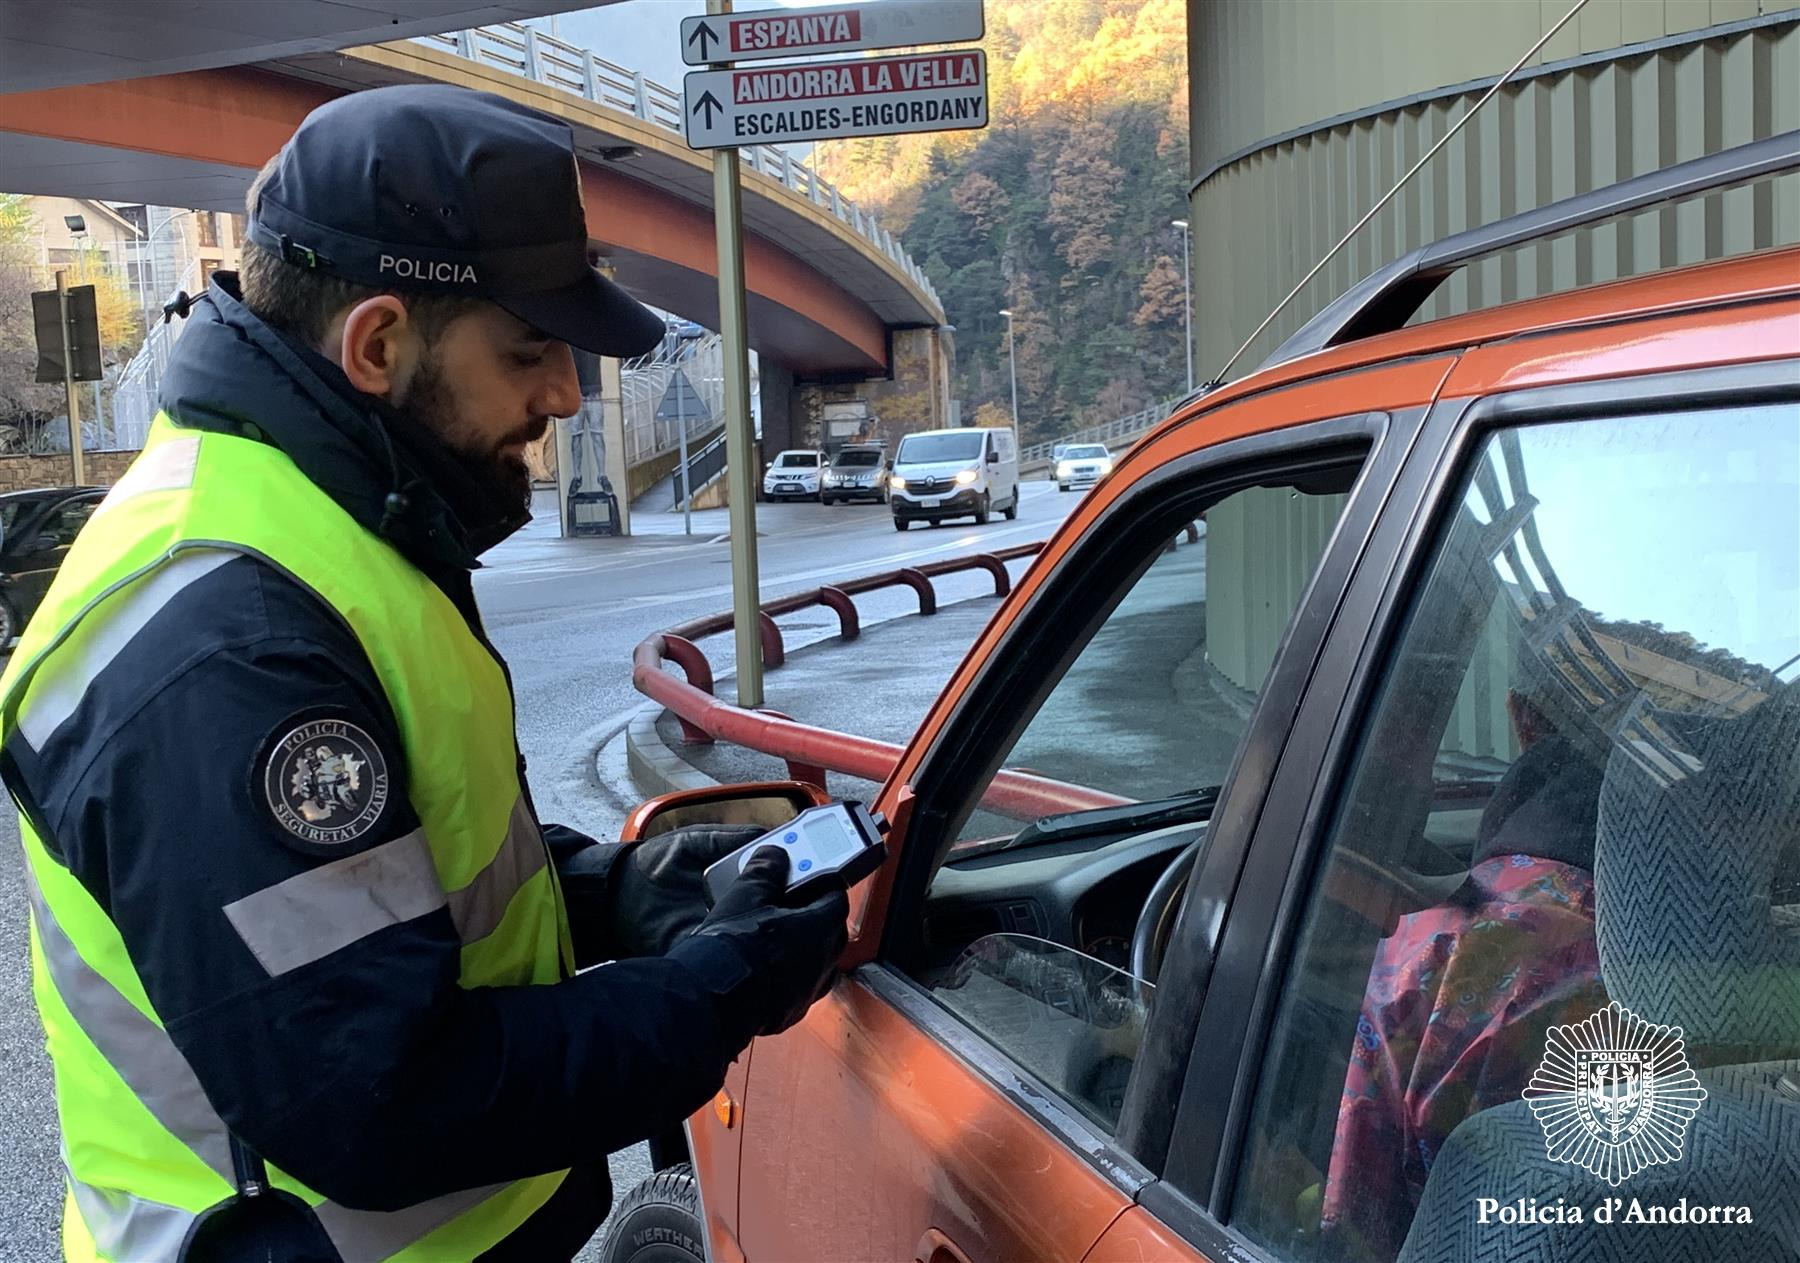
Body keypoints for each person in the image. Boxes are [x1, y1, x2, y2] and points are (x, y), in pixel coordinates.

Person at [0, 84, 847, 1262]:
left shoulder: (330, 520)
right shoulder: (226, 642)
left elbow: (383, 881)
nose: (563, 393)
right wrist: (715, 992)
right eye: (528, 350)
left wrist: (609, 890)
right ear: (380, 345)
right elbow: (380, 1100)